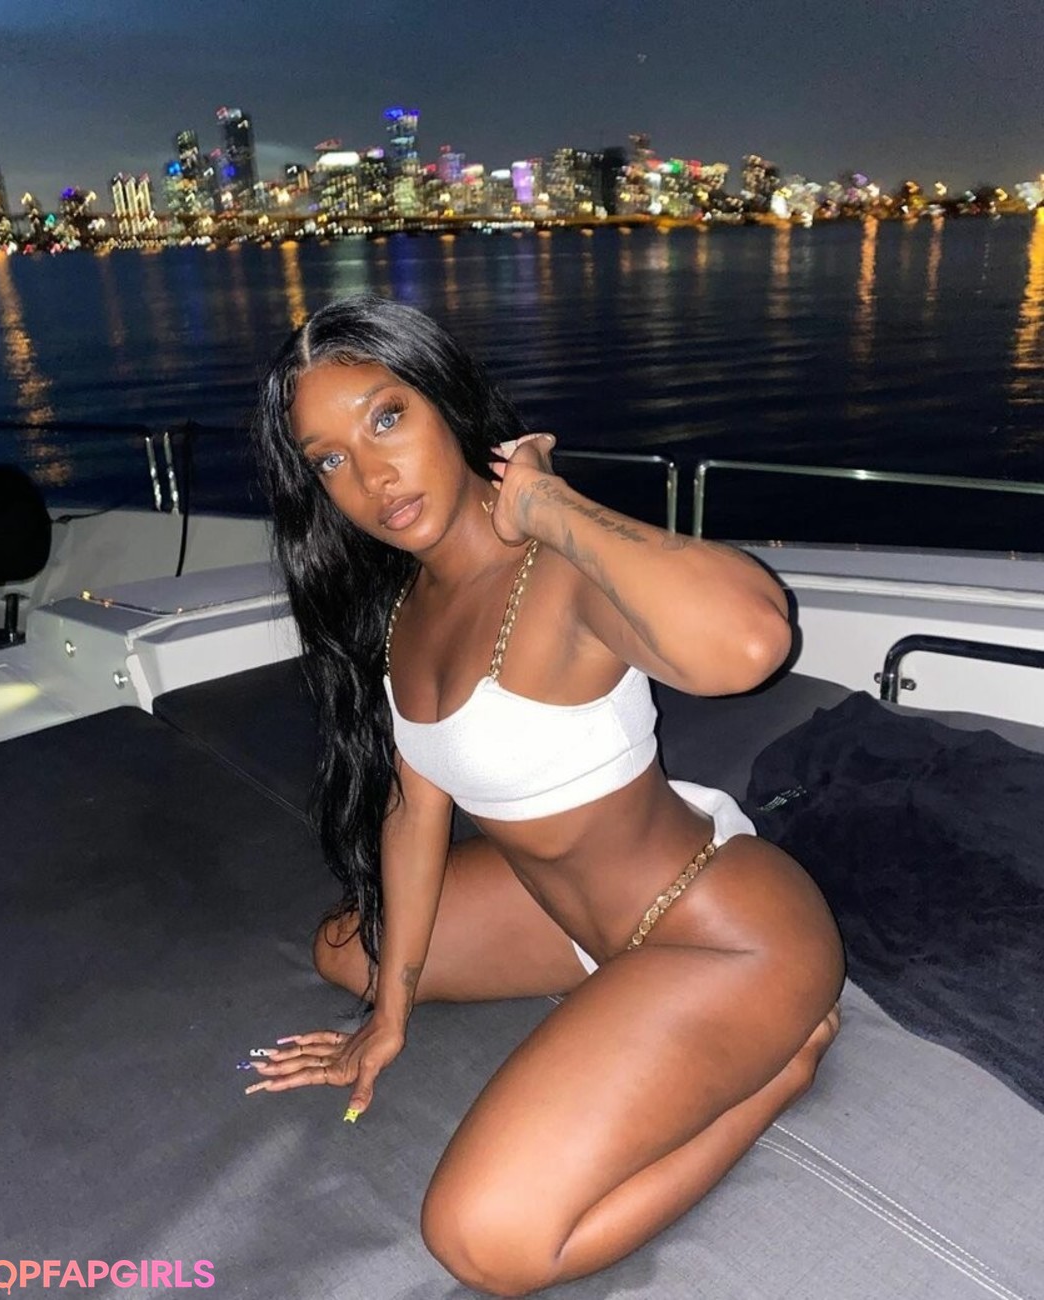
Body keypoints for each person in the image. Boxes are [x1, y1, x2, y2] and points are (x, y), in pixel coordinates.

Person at [248, 294, 844, 1297]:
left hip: (720, 930)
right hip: (570, 922)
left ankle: (783, 1065)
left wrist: (549, 505)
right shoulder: (405, 608)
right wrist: (389, 1018)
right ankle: (609, 993)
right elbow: (414, 809)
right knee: (347, 948)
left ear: (448, 404)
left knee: (484, 1239)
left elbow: (753, 642)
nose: (372, 476)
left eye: (387, 417)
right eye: (331, 458)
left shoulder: (557, 572)